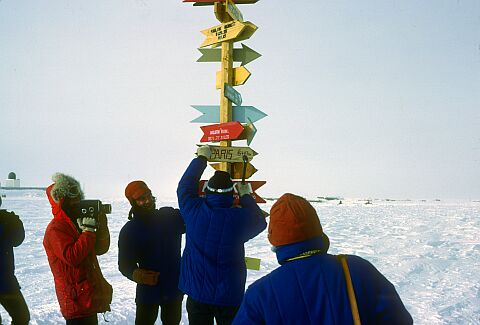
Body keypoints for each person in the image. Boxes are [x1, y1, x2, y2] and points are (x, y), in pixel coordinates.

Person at [232, 193, 413, 325]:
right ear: (318, 230)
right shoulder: (359, 269)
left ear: (275, 239)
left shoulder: (260, 293)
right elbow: (400, 319)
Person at [177, 145, 267, 325]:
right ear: (231, 194)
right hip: (229, 295)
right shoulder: (239, 218)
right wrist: (246, 196)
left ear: (207, 190)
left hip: (197, 293)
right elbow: (260, 221)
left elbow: (184, 187)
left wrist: (201, 159)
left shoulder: (193, 210)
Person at [43, 173, 112, 325]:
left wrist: (100, 228)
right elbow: (71, 257)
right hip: (75, 300)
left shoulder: (76, 222)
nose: (77, 202)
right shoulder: (56, 229)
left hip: (86, 296)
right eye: (72, 198)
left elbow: (100, 249)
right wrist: (88, 232)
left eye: (78, 197)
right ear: (62, 200)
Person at [118, 181, 185, 325]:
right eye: (141, 199)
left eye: (148, 196)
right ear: (133, 202)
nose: (147, 201)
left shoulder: (170, 217)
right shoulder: (129, 230)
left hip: (173, 288)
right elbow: (124, 265)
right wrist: (139, 275)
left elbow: (195, 217)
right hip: (148, 292)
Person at [0, 196, 30, 325]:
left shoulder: (5, 220)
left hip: (6, 281)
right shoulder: (5, 220)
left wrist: (15, 222)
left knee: (22, 316)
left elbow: (17, 239)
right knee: (21, 316)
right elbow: (17, 239)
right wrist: (15, 222)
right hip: (5, 281)